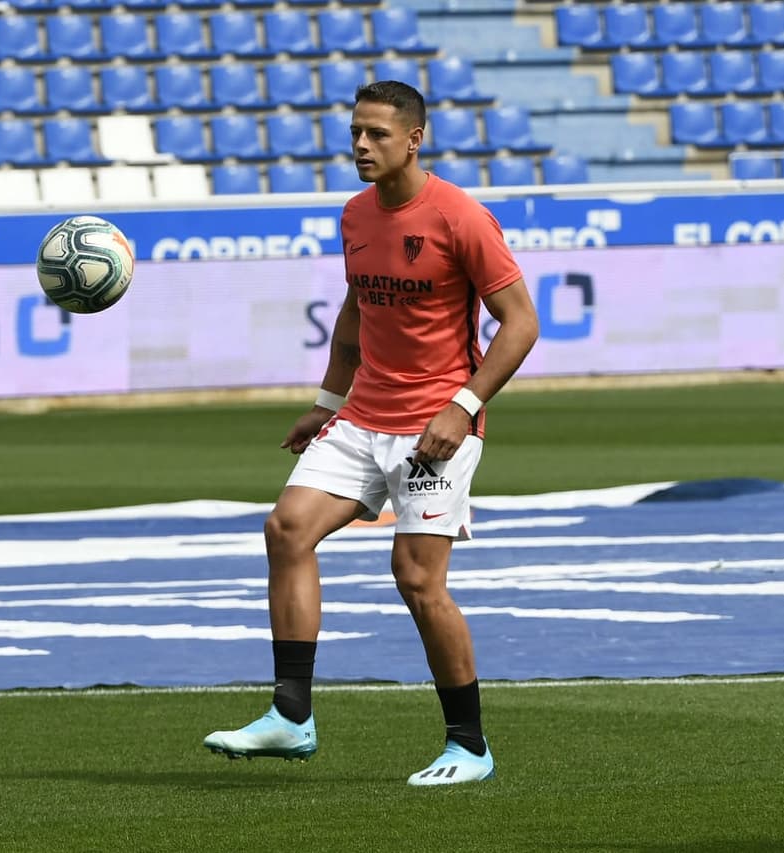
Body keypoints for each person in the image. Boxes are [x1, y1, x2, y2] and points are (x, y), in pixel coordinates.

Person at [203, 81, 540, 786]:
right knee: (287, 528)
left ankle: (469, 744)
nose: (360, 144)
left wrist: (462, 404)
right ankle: (291, 716)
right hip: (362, 415)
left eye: (377, 134)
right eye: (356, 131)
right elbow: (357, 313)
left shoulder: (461, 217)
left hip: (435, 426)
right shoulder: (356, 215)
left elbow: (521, 322)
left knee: (417, 579)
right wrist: (327, 400)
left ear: (414, 140)